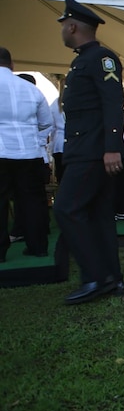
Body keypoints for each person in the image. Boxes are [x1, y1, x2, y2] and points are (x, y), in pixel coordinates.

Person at [52, 0, 124, 304]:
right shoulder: (83, 60)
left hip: (93, 151)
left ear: (72, 26)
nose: (61, 31)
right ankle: (111, 277)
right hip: (87, 149)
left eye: (63, 26)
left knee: (66, 208)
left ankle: (95, 277)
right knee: (98, 214)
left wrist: (112, 147)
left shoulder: (101, 58)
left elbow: (113, 103)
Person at [0, 47, 53, 262]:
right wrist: (34, 138)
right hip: (29, 153)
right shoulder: (31, 89)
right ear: (12, 64)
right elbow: (46, 122)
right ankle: (38, 246)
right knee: (32, 201)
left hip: (1, 152)